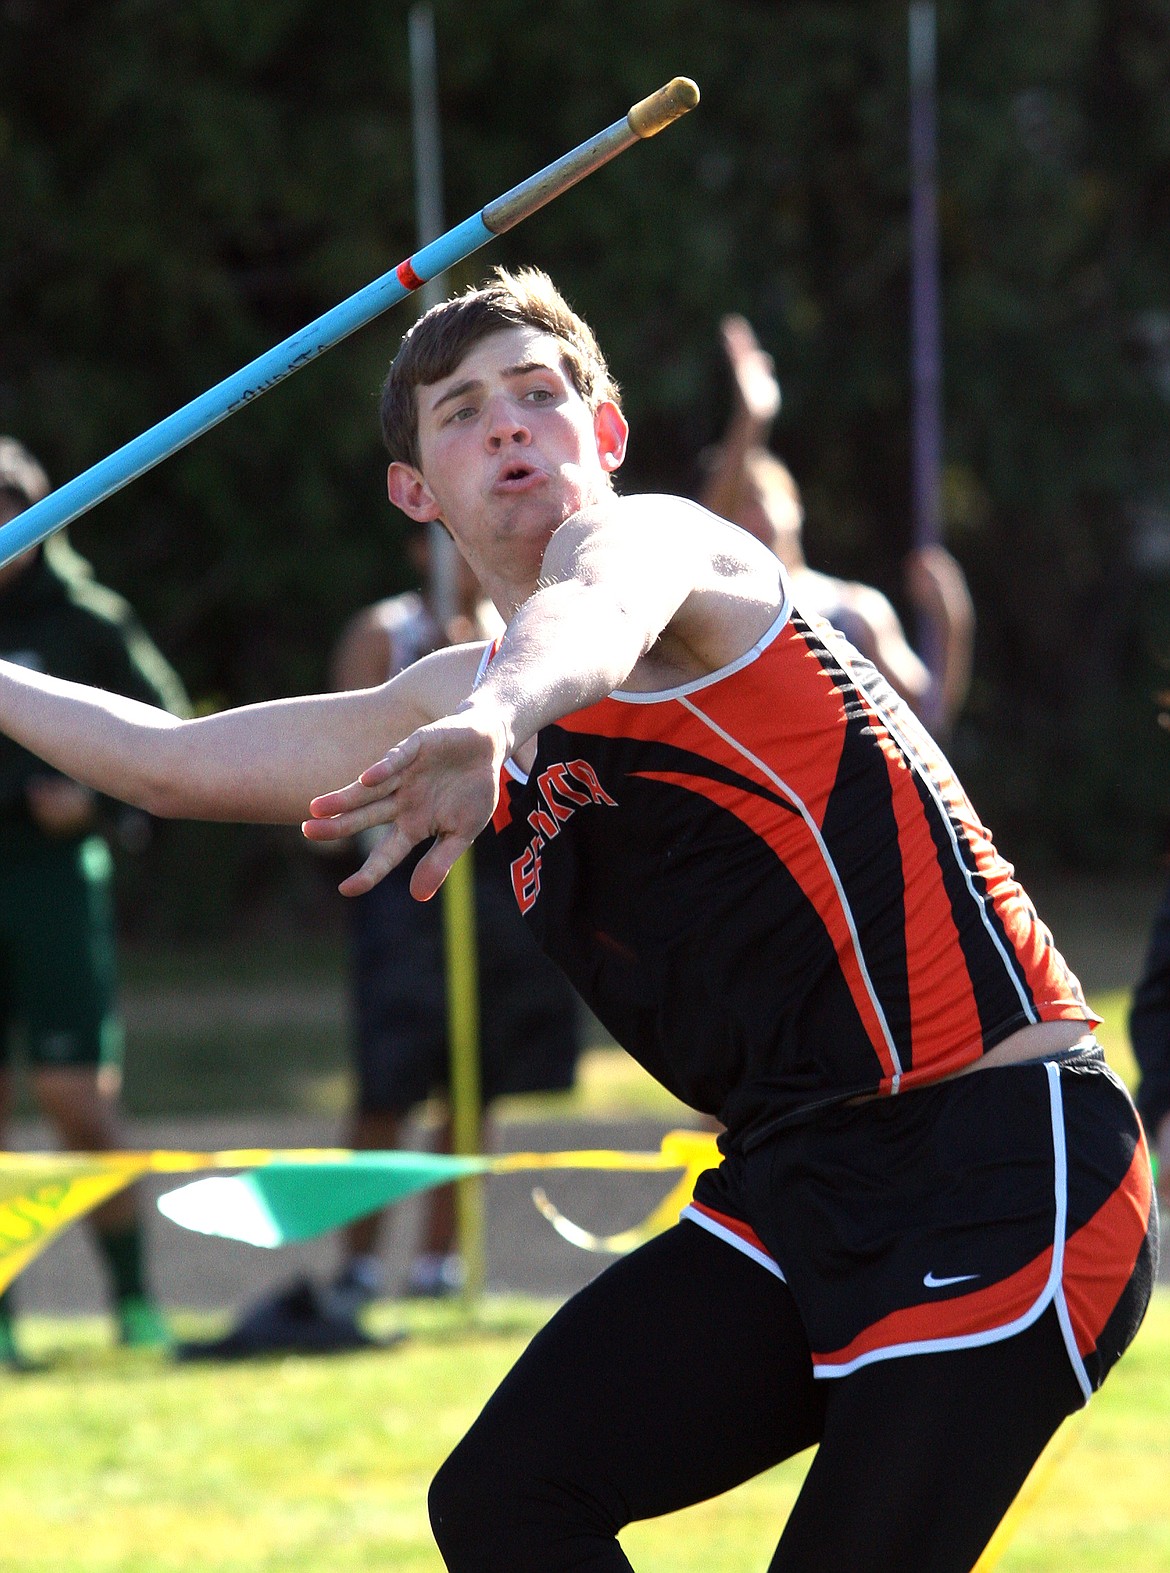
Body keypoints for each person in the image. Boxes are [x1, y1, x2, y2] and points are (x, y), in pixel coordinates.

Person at [0, 270, 1154, 1571]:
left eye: (538, 396)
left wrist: (495, 723)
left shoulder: (670, 553)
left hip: (1001, 1160)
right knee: (504, 1496)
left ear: (602, 435)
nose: (506, 425)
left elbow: (589, 620)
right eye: (460, 411)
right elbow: (167, 759)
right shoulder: (448, 688)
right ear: (413, 490)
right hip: (791, 1193)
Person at [327, 526, 581, 1305]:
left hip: (503, 875)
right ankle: (361, 1262)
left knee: (481, 1079)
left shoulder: (542, 632)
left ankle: (443, 1259)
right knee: (389, 1075)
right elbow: (337, 742)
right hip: (408, 877)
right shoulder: (388, 630)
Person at [0, 437, 189, 1367]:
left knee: (77, 1099)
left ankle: (133, 1299)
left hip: (52, 886)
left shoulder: (84, 617)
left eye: (14, 501)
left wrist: (95, 802)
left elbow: (173, 740)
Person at [701, 313, 974, 736]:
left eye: (758, 500)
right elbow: (707, 527)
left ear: (794, 503)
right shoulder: (724, 604)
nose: (749, 519)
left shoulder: (856, 610)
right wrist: (749, 420)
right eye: (738, 510)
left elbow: (927, 713)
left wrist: (952, 622)